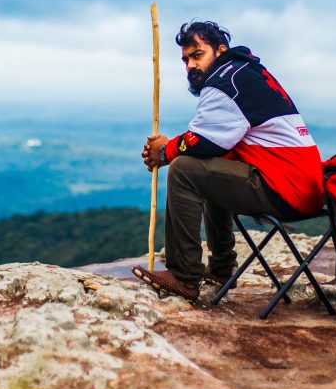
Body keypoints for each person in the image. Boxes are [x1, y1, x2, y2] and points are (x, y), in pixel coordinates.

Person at [132, 20, 323, 301]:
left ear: (220, 51)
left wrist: (164, 152)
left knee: (185, 170)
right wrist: (172, 147)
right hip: (303, 187)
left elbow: (201, 140)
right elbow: (215, 144)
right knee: (210, 166)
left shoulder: (225, 82)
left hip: (285, 189)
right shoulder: (247, 72)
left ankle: (184, 277)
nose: (190, 66)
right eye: (185, 60)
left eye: (197, 55)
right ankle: (222, 270)